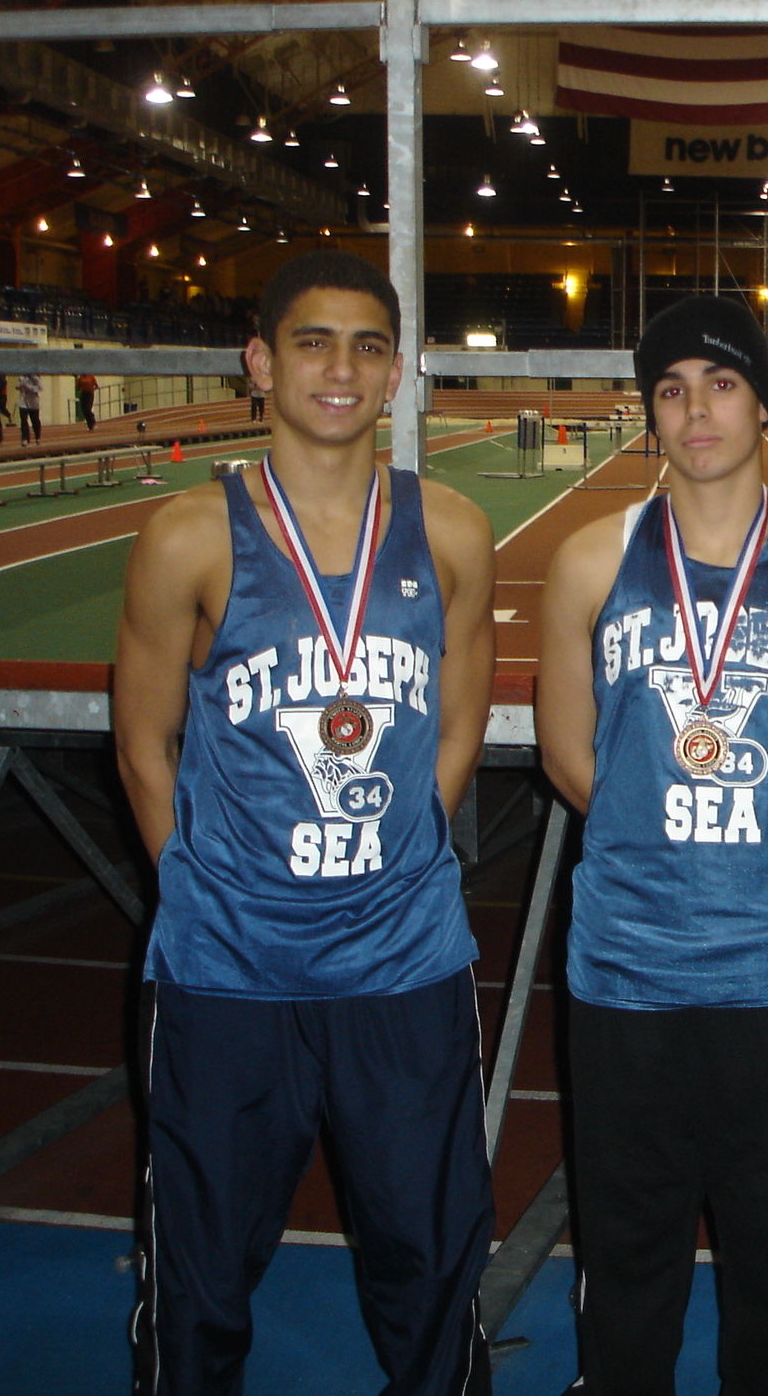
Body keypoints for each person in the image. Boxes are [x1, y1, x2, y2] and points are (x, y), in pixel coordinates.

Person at [113, 251, 497, 1396]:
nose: (341, 368)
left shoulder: (452, 531)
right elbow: (142, 744)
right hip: (228, 971)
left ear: (397, 373)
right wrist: (202, 888)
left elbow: (459, 727)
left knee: (431, 1255)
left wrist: (393, 864)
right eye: (313, 342)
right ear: (260, 362)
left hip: (404, 963)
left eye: (367, 346)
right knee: (201, 1269)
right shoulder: (189, 535)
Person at [535, 295, 768, 1396]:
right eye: (672, 389)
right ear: (650, 411)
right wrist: (656, 844)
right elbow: (567, 755)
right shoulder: (590, 560)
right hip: (628, 967)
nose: (696, 410)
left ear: (763, 404)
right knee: (627, 1252)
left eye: (722, 384)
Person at [17, 371, 43, 445]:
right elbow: (19, 385)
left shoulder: (35, 378)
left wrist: (29, 387)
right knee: (23, 420)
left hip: (33, 402)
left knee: (35, 420)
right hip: (23, 401)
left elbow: (40, 388)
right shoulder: (21, 377)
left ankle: (37, 437)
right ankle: (25, 438)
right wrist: (19, 387)